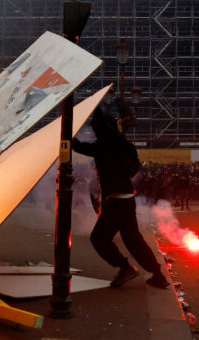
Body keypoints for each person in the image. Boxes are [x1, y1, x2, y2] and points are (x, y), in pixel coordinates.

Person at [72, 107, 169, 289]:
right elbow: (132, 170)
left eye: (95, 127)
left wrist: (68, 129)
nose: (93, 130)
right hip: (126, 198)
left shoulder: (103, 147)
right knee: (133, 240)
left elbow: (77, 146)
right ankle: (158, 274)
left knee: (99, 238)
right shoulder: (124, 145)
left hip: (116, 201)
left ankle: (126, 268)